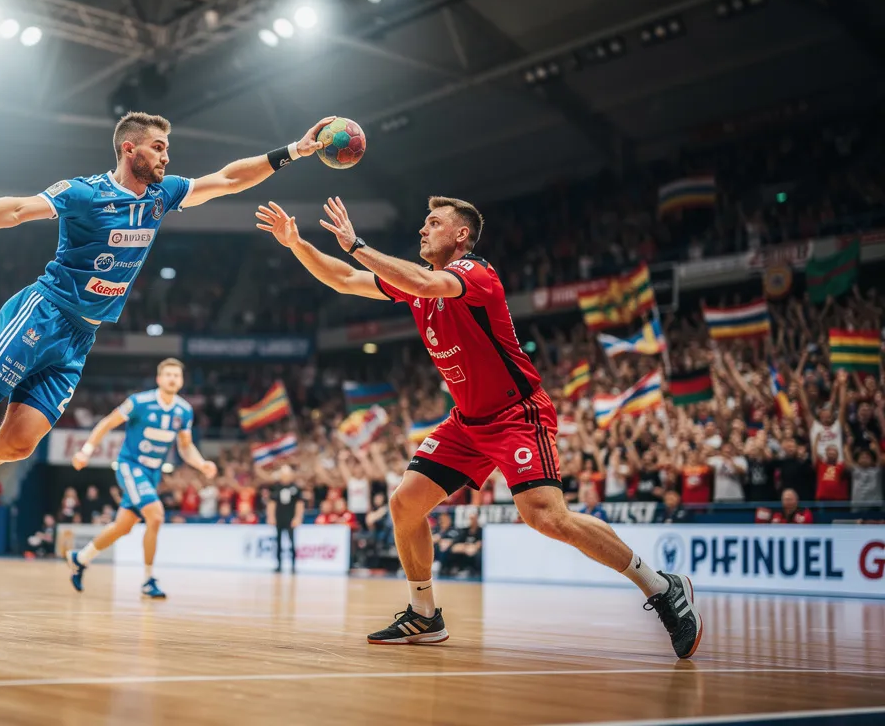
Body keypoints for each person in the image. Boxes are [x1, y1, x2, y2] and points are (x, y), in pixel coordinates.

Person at [0, 112, 339, 543]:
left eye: (167, 149)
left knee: (18, 444)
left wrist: (294, 149)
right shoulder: (84, 194)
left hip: (80, 338)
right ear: (130, 149)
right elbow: (18, 209)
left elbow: (227, 179)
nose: (167, 156)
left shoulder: (163, 194)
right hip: (42, 312)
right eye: (158, 147)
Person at [255, 196, 701, 658]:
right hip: (467, 421)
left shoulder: (476, 275)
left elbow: (424, 281)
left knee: (547, 517)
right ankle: (424, 614)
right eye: (424, 223)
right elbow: (345, 279)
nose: (423, 230)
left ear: (460, 235)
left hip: (516, 415)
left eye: (434, 223)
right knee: (406, 505)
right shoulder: (417, 286)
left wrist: (357, 244)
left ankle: (662, 586)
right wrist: (297, 244)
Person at [65, 358, 217, 599]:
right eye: (168, 375)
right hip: (130, 466)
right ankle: (148, 580)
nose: (172, 379)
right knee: (155, 515)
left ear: (182, 381)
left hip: (152, 473)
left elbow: (185, 447)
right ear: (159, 379)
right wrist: (86, 450)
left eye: (176, 376)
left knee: (122, 527)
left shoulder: (183, 410)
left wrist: (201, 464)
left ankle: (80, 558)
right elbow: (106, 423)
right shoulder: (139, 402)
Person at [267, 465, 304, 573]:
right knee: (278, 542)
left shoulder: (295, 488)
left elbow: (299, 504)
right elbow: (271, 503)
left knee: (292, 542)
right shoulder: (276, 487)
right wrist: (271, 517)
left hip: (290, 519)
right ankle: (278, 565)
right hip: (279, 518)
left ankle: (293, 565)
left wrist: (298, 517)